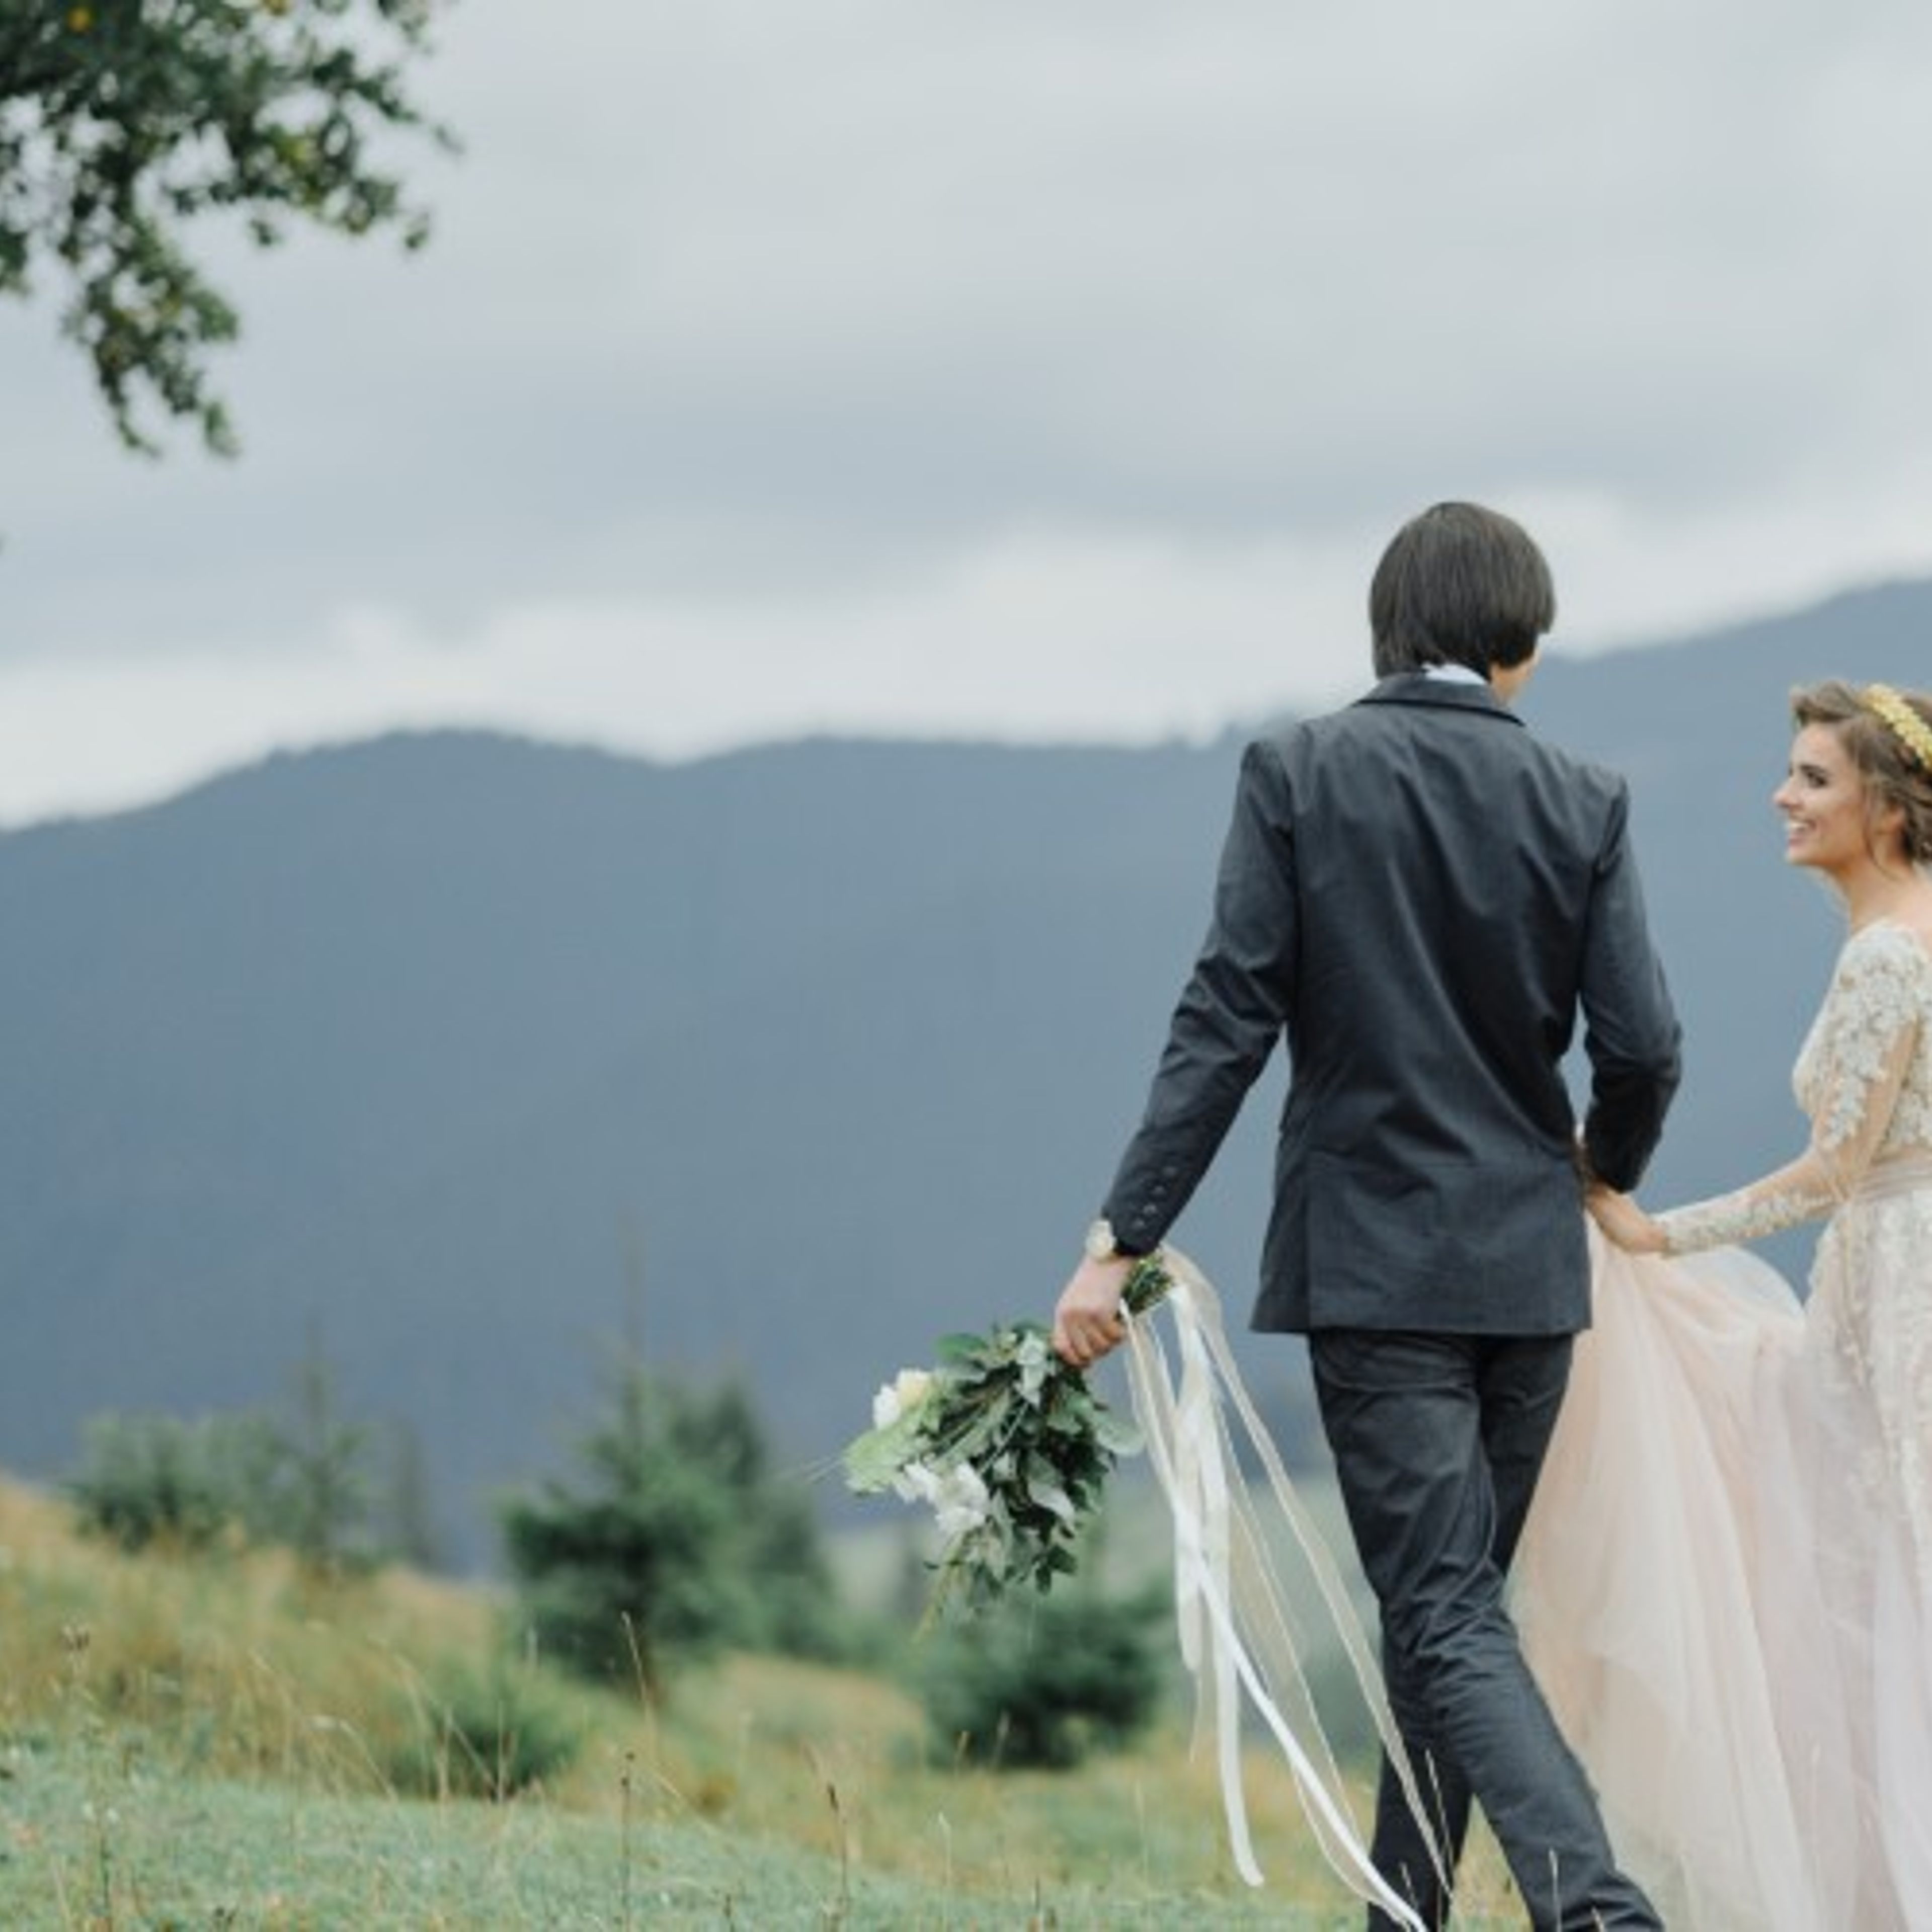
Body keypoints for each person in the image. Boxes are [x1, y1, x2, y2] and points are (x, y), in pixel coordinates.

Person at [1053, 501, 1681, 1930]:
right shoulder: (1585, 794)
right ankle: (1407, 1913)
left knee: (1442, 1613)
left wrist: (1120, 1239)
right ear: (1520, 644)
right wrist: (1601, 1169)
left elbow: (1228, 1019)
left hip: (1378, 1266)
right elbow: (1643, 1046)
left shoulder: (1302, 769)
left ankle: (1598, 1913)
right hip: (1531, 1275)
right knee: (1446, 1615)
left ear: (1389, 631)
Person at [1541, 678, 1932, 1928]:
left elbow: (1836, 1169)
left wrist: (1662, 1234)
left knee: (1878, 1575)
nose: (1783, 794)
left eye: (1814, 777)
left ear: (1887, 807)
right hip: (1895, 1263)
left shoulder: (1887, 953)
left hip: (1897, 1278)